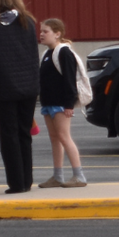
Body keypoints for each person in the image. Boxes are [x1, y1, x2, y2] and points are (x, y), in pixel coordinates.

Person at [0, 0, 40, 194]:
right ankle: (27, 180)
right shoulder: (29, 23)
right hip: (29, 85)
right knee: (25, 132)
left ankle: (15, 183)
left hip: (4, 86)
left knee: (9, 134)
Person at [37, 18, 88, 189]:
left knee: (64, 137)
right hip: (48, 103)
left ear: (57, 34)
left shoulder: (64, 52)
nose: (41, 34)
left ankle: (79, 175)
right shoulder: (46, 54)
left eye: (46, 31)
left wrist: (69, 104)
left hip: (60, 103)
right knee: (55, 139)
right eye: (41, 31)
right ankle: (58, 176)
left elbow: (69, 79)